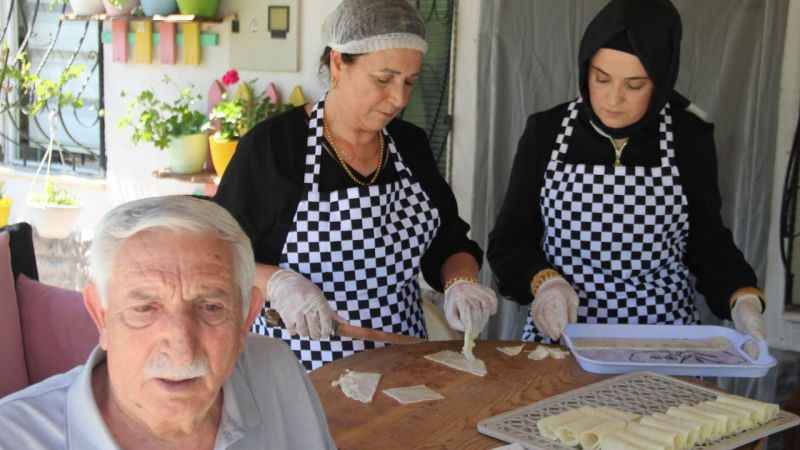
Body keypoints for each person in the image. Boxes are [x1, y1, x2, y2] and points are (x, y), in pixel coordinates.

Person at [215, 0, 497, 371]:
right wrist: (278, 283)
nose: (399, 99)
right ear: (337, 64)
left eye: (409, 81)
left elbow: (447, 240)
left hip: (401, 358)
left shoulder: (409, 144)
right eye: (384, 79)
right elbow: (219, 254)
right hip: (298, 368)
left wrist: (461, 282)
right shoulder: (274, 147)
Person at [487, 0, 766, 345]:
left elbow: (707, 241)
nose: (613, 99)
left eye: (635, 85)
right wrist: (546, 282)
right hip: (564, 337)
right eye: (601, 79)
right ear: (585, 69)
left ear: (662, 82)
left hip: (664, 339)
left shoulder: (687, 137)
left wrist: (741, 295)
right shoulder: (548, 131)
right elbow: (510, 241)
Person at [0, 196, 336, 450]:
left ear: (246, 316)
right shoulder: (13, 438)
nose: (181, 349)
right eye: (145, 308)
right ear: (101, 315)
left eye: (210, 307)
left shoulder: (274, 371)